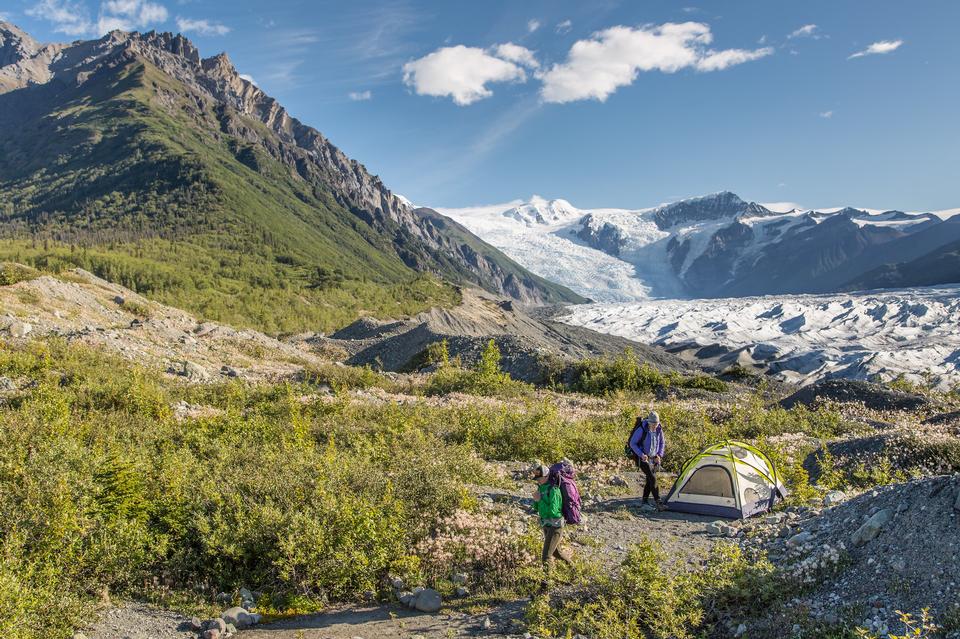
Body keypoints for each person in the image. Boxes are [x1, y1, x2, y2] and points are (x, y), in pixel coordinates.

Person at [531, 464, 571, 582]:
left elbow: (554, 511)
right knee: (557, 553)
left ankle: (546, 584)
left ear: (547, 476)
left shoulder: (554, 489)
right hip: (546, 524)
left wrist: (540, 499)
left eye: (540, 478)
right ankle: (575, 571)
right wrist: (536, 500)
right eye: (536, 478)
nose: (538, 480)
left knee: (546, 556)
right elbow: (536, 507)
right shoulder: (540, 488)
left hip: (556, 525)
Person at [628, 411, 666, 509]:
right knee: (652, 478)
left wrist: (659, 455)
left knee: (650, 479)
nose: (654, 426)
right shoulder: (642, 429)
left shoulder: (659, 429)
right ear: (649, 422)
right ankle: (658, 502)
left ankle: (644, 501)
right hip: (643, 459)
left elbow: (662, 443)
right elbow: (632, 443)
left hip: (654, 458)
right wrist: (641, 454)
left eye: (656, 424)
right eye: (653, 424)